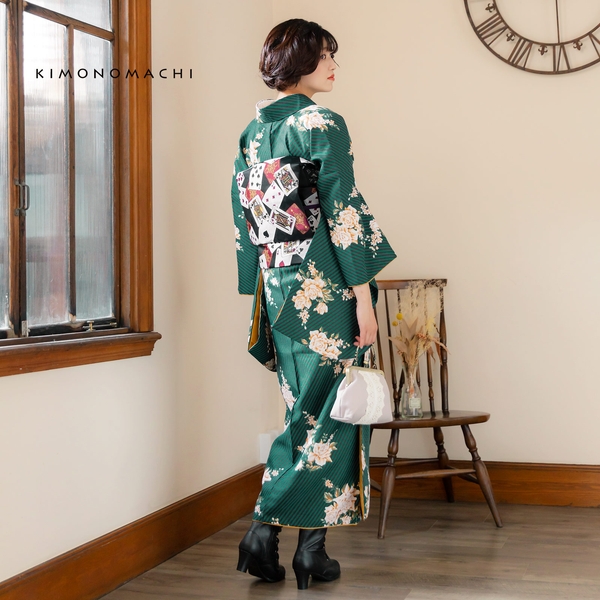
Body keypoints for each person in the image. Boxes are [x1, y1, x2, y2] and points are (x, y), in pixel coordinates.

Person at [231, 18, 396, 590]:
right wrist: (363, 298)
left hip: (279, 289)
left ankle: (294, 544)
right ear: (300, 60)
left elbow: (246, 222)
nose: (333, 66)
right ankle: (281, 538)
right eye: (326, 55)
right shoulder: (322, 122)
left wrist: (260, 287)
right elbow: (342, 211)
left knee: (308, 412)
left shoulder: (253, 132)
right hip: (325, 287)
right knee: (333, 413)